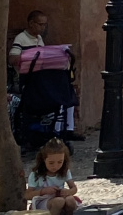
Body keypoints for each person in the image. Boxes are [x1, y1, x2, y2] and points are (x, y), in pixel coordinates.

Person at [9, 11, 81, 139]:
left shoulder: (39, 39)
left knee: (66, 88)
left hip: (40, 78)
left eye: (44, 25)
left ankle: (66, 129)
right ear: (31, 23)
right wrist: (29, 56)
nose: (43, 28)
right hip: (28, 80)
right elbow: (13, 59)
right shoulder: (21, 38)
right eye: (40, 24)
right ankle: (55, 131)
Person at [27, 138, 77, 215]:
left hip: (60, 199)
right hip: (43, 202)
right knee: (59, 201)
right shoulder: (36, 174)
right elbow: (27, 195)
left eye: (60, 162)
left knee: (70, 200)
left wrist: (68, 192)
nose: (55, 166)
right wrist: (43, 191)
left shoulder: (64, 171)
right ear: (44, 159)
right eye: (51, 163)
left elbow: (74, 188)